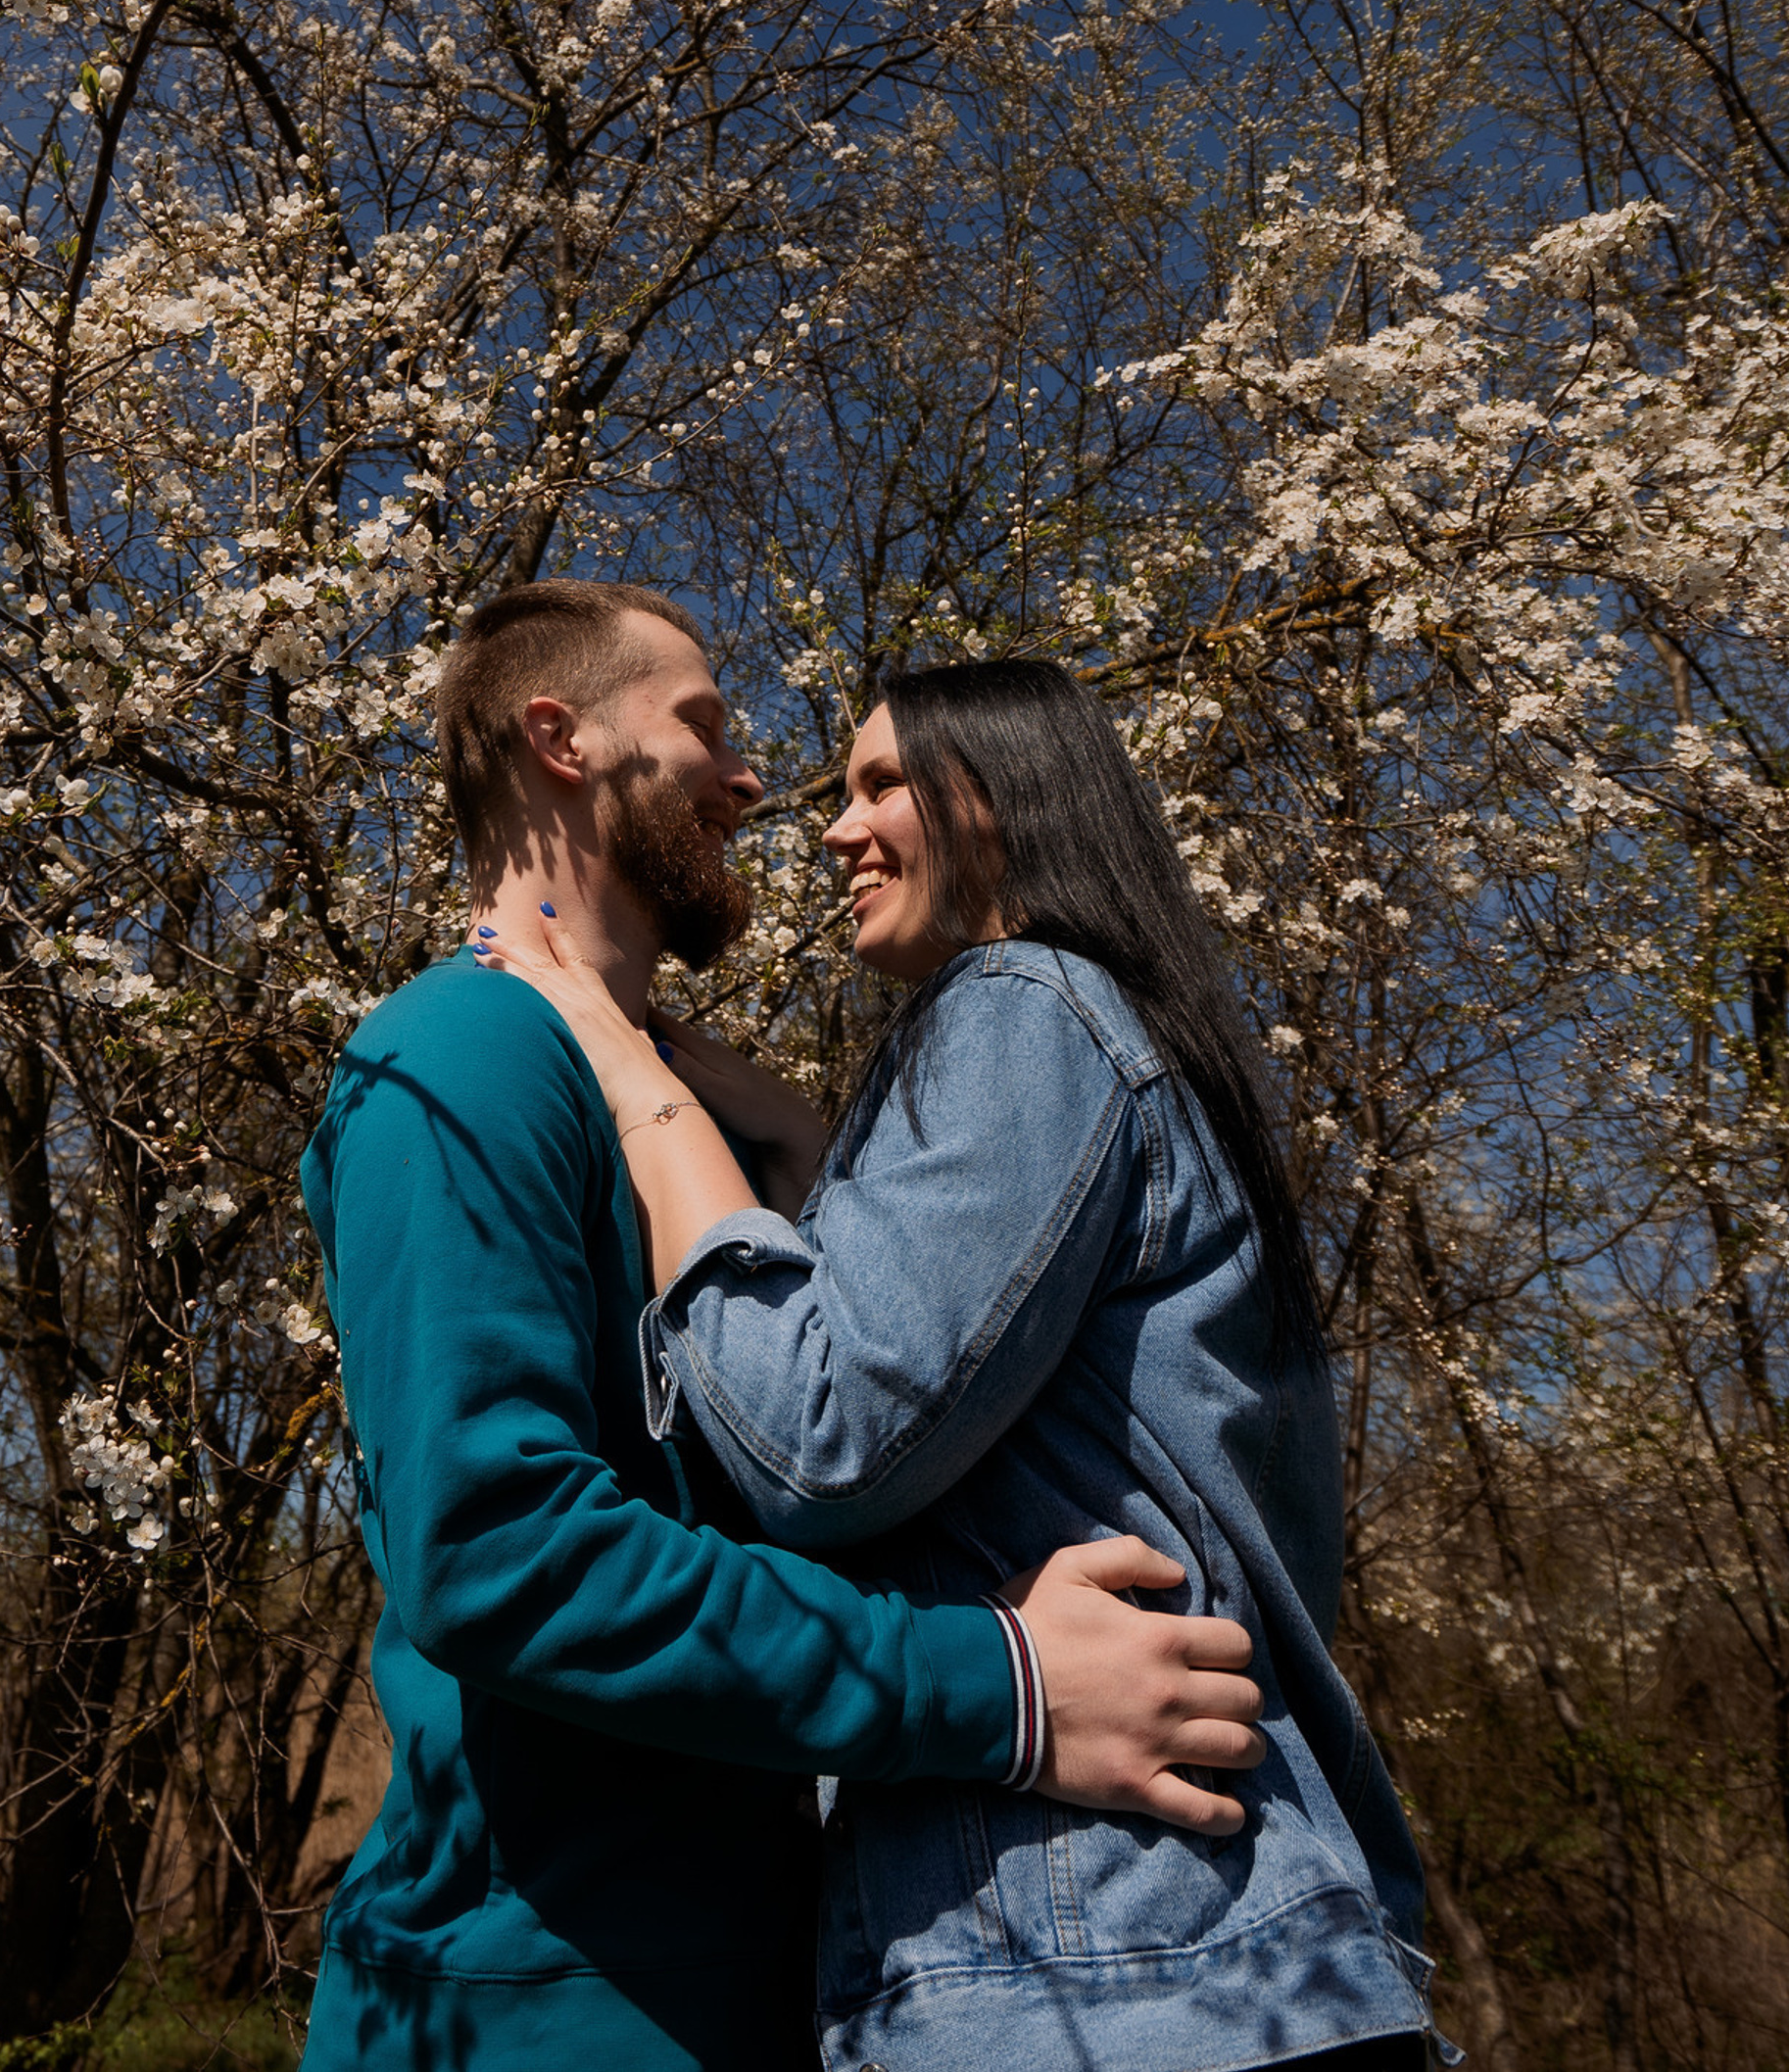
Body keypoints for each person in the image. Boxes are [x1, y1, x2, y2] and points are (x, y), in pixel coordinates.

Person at [299, 587, 1273, 2072]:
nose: (757, 781)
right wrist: (995, 1685)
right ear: (561, 739)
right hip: (536, 2008)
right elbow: (496, 1548)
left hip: (785, 1985)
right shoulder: (457, 1055)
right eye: (704, 726)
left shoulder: (719, 1151)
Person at [477, 656, 1441, 2072]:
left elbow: (824, 1438)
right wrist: (807, 1147)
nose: (832, 826)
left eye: (881, 784)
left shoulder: (1027, 1007)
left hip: (1101, 1967)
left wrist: (638, 1085)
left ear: (996, 801)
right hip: (1207, 1967)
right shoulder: (1122, 1038)